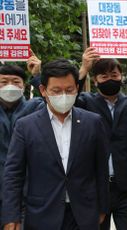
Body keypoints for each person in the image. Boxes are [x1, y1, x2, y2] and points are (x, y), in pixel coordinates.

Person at [1, 59, 109, 229]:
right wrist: (10, 215)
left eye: (69, 90)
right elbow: (14, 174)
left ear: (77, 89)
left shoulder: (93, 122)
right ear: (43, 90)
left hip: (83, 214)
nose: (63, 96)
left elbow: (101, 168)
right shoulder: (25, 126)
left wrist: (103, 207)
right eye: (56, 91)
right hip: (42, 213)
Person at [0, 64, 44, 225]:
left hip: (29, 191)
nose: (10, 86)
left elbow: (53, 104)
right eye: (4, 82)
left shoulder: (36, 107)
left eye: (16, 81)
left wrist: (37, 75)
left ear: (24, 85)